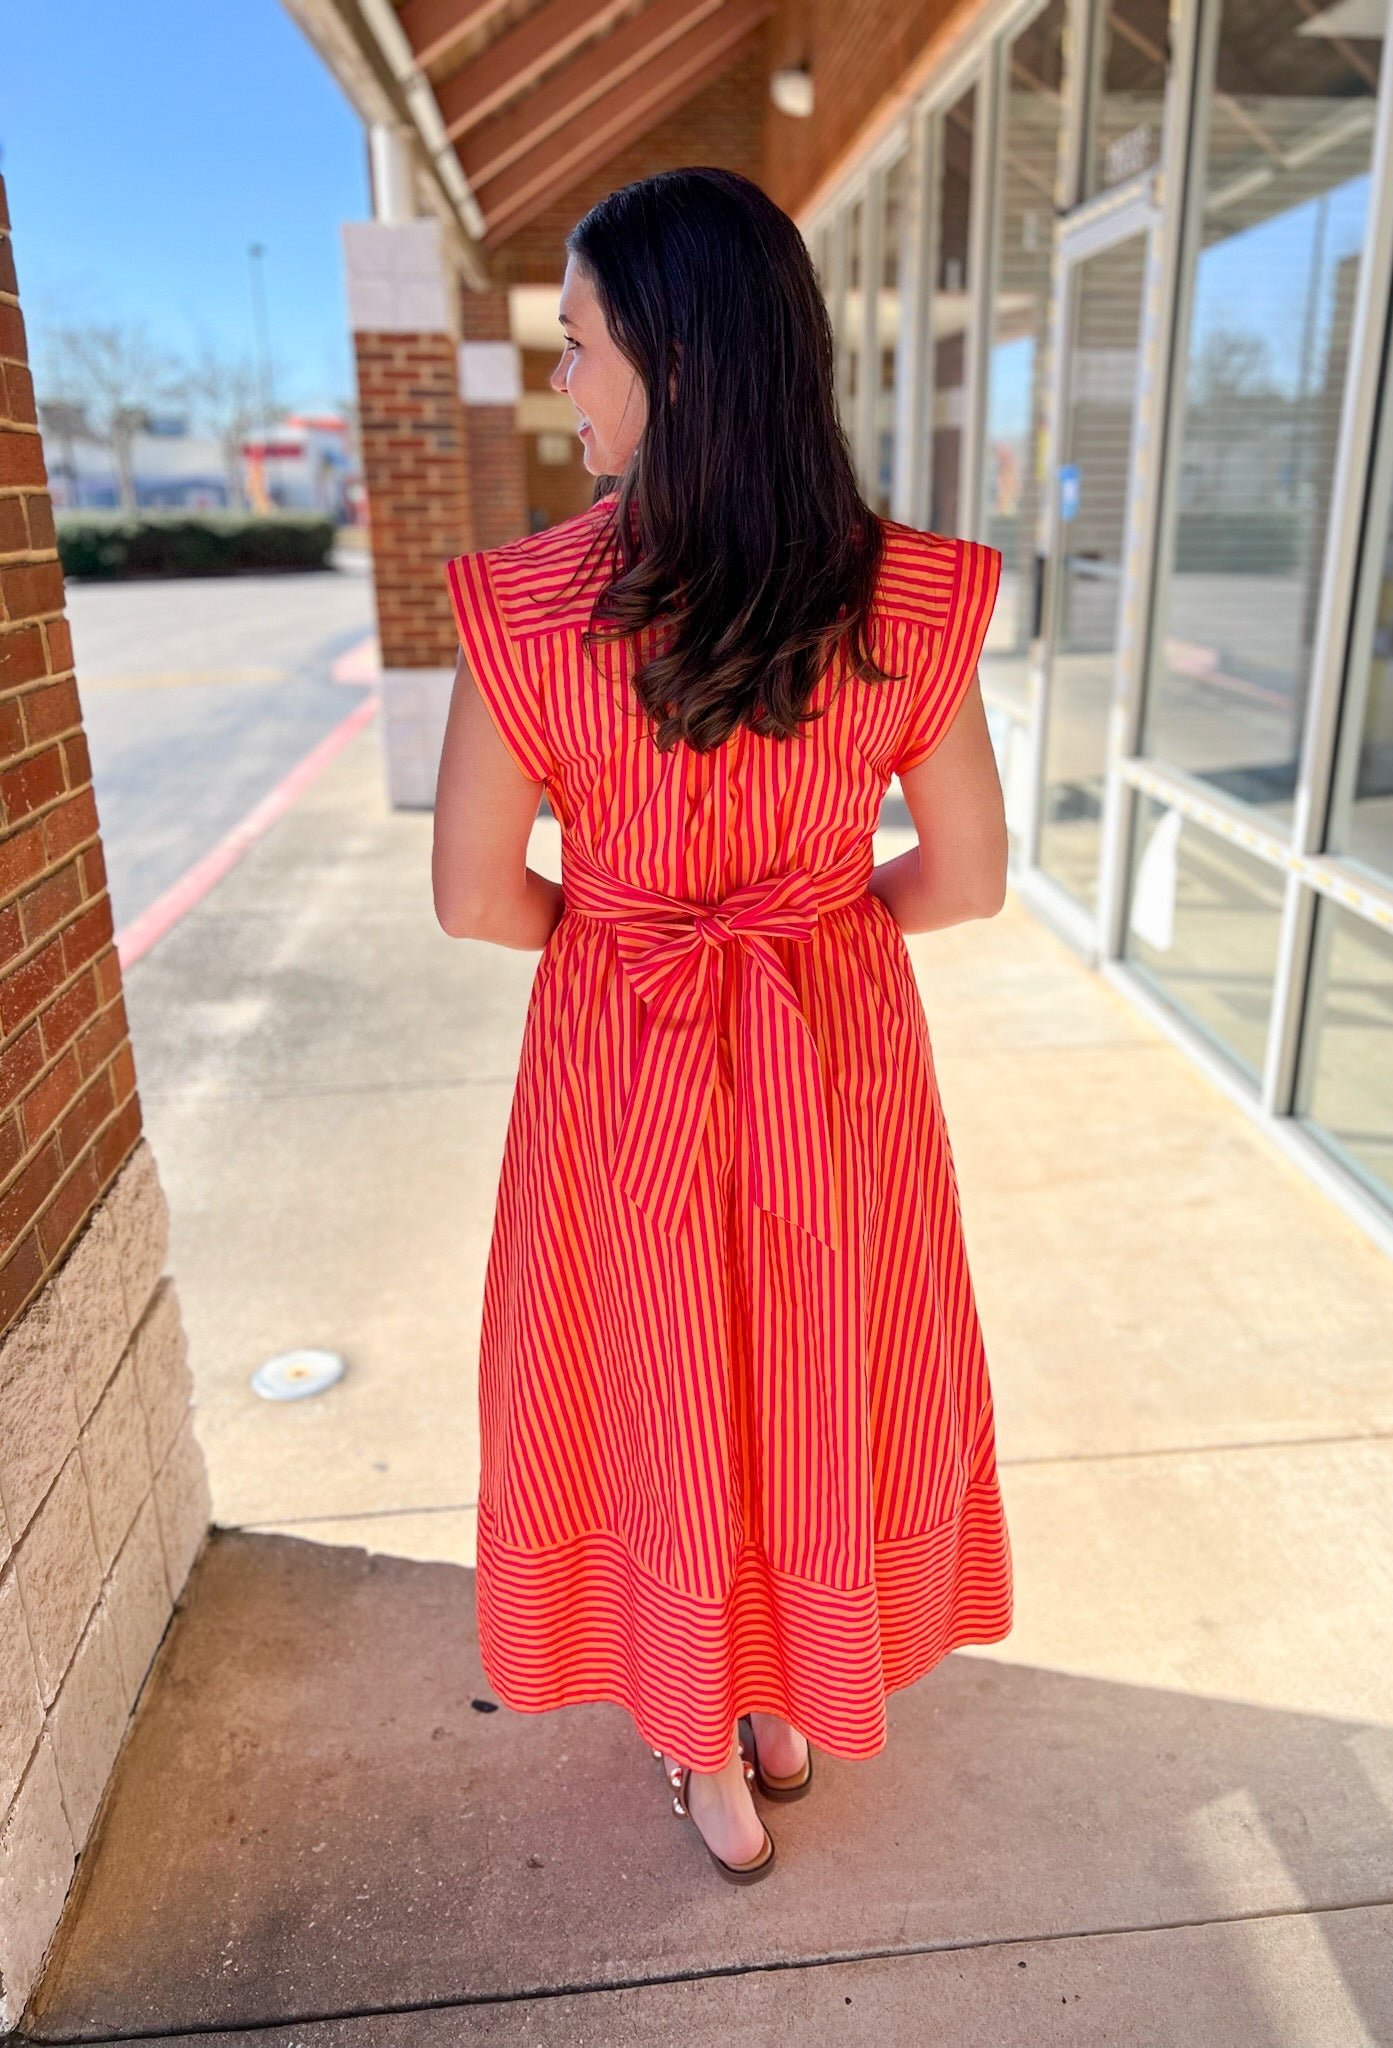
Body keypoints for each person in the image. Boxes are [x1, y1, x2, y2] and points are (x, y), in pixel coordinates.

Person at [431, 166, 1013, 1885]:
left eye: (578, 344)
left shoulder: (523, 609)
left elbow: (473, 897)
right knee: (812, 1368)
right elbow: (968, 878)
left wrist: (624, 939)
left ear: (673, 362)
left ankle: (703, 1745)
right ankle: (788, 1697)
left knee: (663, 1386)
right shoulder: (911, 597)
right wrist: (808, 931)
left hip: (626, 1049)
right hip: (831, 1055)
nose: (562, 380)